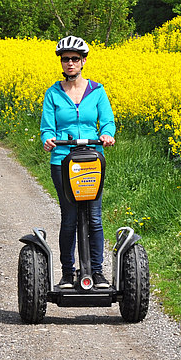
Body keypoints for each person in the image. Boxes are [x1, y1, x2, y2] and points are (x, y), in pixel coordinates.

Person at [40, 36, 116, 289]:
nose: (70, 63)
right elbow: (47, 127)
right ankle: (66, 273)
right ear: (61, 63)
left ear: (83, 61)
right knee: (69, 217)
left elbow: (106, 120)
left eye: (74, 59)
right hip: (63, 159)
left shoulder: (97, 91)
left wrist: (106, 134)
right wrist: (48, 139)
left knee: (94, 217)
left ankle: (98, 271)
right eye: (65, 59)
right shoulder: (53, 93)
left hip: (92, 158)